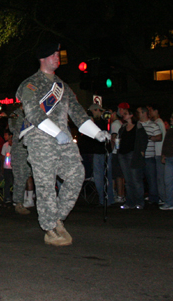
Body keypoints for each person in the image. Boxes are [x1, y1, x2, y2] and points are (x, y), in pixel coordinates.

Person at [16, 43, 109, 246]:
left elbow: (77, 112)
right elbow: (32, 113)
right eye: (53, 54)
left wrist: (97, 133)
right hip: (40, 138)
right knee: (46, 183)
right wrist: (56, 133)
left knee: (77, 174)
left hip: (63, 138)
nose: (58, 57)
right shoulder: (30, 84)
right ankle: (49, 228)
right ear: (43, 58)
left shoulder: (63, 86)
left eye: (59, 54)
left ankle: (57, 217)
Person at [80, 103, 114, 207]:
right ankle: (102, 199)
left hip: (105, 152)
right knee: (98, 177)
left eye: (93, 111)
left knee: (107, 176)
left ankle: (109, 199)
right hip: (96, 152)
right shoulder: (94, 121)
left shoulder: (105, 120)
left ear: (98, 110)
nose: (92, 113)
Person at [8, 104, 32, 215]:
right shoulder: (15, 114)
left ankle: (27, 200)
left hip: (30, 150)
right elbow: (13, 128)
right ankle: (18, 203)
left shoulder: (32, 111)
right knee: (20, 177)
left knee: (27, 176)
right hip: (19, 150)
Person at [137, 106, 162, 205]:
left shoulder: (153, 125)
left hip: (149, 156)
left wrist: (149, 137)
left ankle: (154, 199)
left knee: (151, 179)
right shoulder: (136, 125)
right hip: (138, 157)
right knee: (138, 179)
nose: (137, 114)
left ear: (143, 113)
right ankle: (140, 199)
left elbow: (159, 137)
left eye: (138, 112)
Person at [147, 104, 167, 205]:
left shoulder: (158, 122)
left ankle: (163, 197)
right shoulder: (157, 122)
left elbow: (162, 138)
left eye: (150, 111)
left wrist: (162, 153)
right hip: (158, 153)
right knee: (158, 177)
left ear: (156, 111)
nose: (149, 113)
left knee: (160, 177)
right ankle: (161, 196)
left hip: (159, 153)